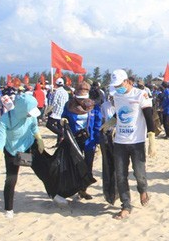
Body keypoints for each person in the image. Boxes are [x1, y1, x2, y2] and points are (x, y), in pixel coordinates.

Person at [109, 69, 157, 219]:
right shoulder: (117, 96)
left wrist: (151, 138)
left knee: (139, 173)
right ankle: (126, 205)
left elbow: (149, 116)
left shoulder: (140, 94)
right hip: (120, 142)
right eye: (115, 86)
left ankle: (143, 190)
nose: (117, 88)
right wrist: (110, 122)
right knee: (120, 175)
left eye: (119, 85)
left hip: (136, 141)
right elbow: (120, 113)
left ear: (127, 81)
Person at [0, 94, 45, 218]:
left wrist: (39, 139)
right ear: (22, 110)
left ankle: (55, 194)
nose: (31, 115)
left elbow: (34, 127)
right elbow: (0, 140)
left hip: (28, 146)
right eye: (29, 112)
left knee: (43, 171)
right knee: (11, 179)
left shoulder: (31, 117)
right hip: (11, 150)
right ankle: (9, 209)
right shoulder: (5, 119)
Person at [61, 82, 101, 200]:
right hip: (74, 139)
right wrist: (63, 122)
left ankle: (83, 190)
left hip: (90, 140)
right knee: (73, 164)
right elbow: (64, 118)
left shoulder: (94, 107)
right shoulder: (69, 105)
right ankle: (72, 187)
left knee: (88, 165)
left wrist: (97, 141)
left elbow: (97, 124)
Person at [47, 78, 69, 145]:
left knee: (49, 125)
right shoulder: (65, 92)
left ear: (56, 84)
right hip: (63, 112)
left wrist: (48, 111)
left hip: (56, 112)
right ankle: (58, 143)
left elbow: (54, 103)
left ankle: (62, 134)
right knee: (60, 127)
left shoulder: (57, 91)